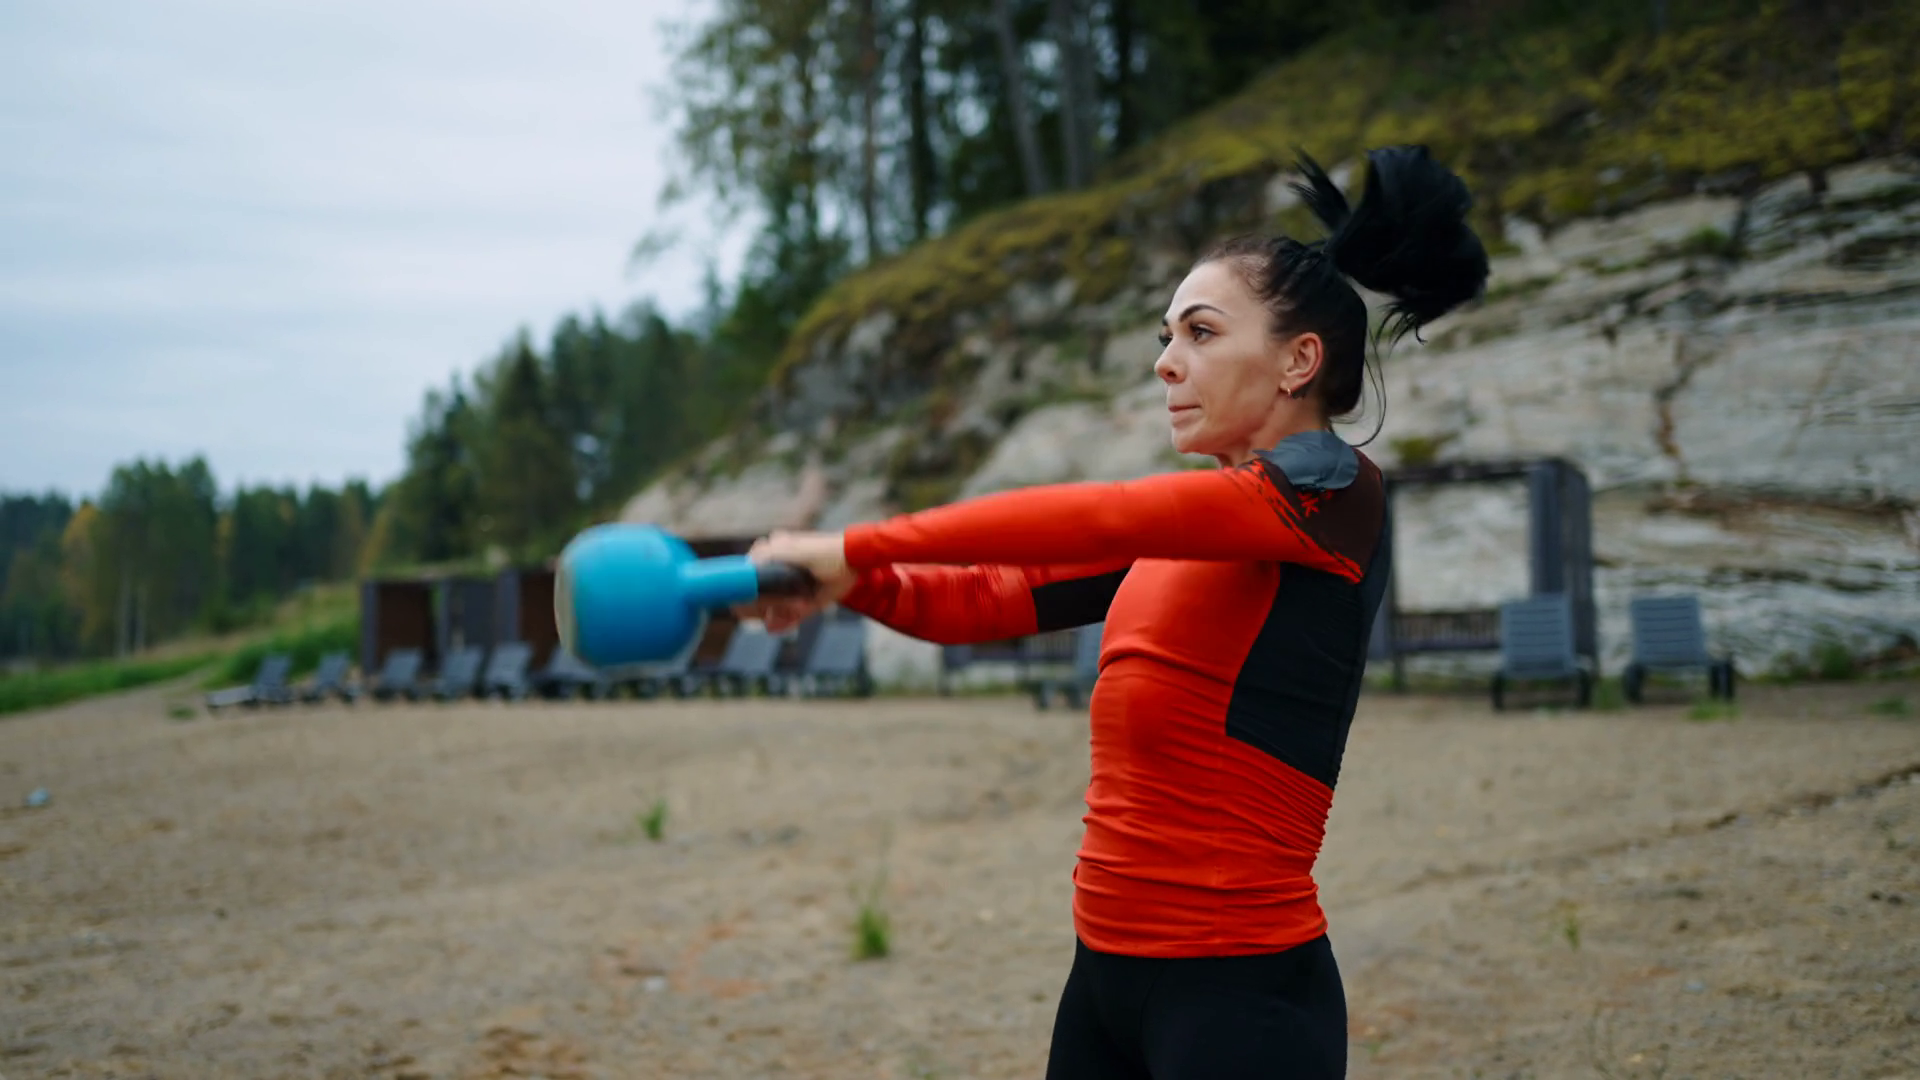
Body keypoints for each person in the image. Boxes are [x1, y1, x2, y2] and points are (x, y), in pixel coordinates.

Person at [739, 144, 1489, 1079]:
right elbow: (975, 598)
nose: (1167, 365)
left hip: (1240, 995)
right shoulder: (1190, 529)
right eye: (1166, 338)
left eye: (1200, 333)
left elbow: (1102, 513)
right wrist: (851, 585)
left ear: (1300, 360)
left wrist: (854, 546)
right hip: (1103, 981)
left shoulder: (1333, 491)